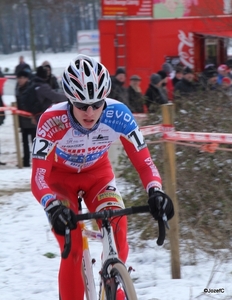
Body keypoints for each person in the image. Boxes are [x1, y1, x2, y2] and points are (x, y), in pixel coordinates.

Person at [31, 55, 174, 300]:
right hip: (60, 181)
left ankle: (115, 283)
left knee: (118, 226)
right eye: (82, 105)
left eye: (97, 104)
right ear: (70, 100)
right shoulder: (51, 120)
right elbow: (38, 177)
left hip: (98, 177)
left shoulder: (119, 114)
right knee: (73, 248)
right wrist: (52, 206)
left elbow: (144, 162)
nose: (90, 112)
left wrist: (156, 191)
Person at [15, 70, 36, 167]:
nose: (20, 80)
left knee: (34, 143)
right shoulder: (17, 88)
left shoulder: (31, 88)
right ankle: (26, 161)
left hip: (32, 120)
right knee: (24, 143)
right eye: (19, 78)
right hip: (22, 120)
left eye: (22, 78)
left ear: (26, 79)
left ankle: (36, 162)